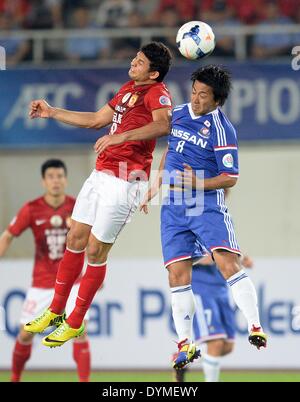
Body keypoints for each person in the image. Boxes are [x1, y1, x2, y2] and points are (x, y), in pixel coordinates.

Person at [24, 42, 172, 347]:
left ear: (154, 73)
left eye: (140, 62)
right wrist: (51, 112)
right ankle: (55, 311)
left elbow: (164, 125)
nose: (133, 62)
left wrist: (121, 137)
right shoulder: (127, 89)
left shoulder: (158, 93)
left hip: (126, 180)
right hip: (101, 174)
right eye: (135, 57)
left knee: (95, 251)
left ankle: (75, 321)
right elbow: (94, 120)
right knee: (74, 238)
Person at [141, 65, 267, 370]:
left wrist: (198, 183)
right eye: (194, 92)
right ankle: (185, 344)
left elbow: (230, 177)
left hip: (205, 203)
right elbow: (170, 149)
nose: (195, 99)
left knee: (226, 261)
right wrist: (154, 185)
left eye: (203, 95)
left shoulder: (224, 130)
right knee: (176, 274)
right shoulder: (181, 113)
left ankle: (255, 326)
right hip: (173, 205)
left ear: (217, 100)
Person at [0, 159, 91, 382]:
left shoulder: (77, 207)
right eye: (51, 177)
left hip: (73, 283)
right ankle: (14, 378)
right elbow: (8, 235)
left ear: (65, 179)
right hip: (42, 282)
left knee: (79, 331)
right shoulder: (31, 209)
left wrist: (91, 271)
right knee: (24, 333)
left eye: (60, 176)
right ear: (43, 181)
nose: (56, 181)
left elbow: (88, 240)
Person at [174, 252, 254, 382]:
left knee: (227, 346)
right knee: (216, 343)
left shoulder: (217, 232)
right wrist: (226, 256)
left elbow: (225, 249)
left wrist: (241, 257)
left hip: (221, 290)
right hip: (202, 290)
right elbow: (203, 257)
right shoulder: (194, 233)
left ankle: (185, 359)